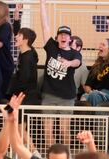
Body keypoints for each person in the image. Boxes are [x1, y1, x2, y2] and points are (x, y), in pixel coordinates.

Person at [39, 0, 82, 144]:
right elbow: (45, 26)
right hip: (49, 95)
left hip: (67, 97)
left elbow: (77, 62)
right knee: (48, 130)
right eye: (61, 35)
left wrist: (69, 63)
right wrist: (42, 5)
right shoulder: (51, 47)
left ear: (70, 39)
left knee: (64, 131)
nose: (63, 37)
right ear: (57, 37)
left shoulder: (75, 53)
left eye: (66, 35)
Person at [81, 19, 109, 106]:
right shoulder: (95, 66)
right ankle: (97, 119)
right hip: (97, 94)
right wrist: (91, 92)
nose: (99, 46)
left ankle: (96, 119)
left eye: (103, 45)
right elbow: (87, 86)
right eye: (100, 44)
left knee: (93, 96)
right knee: (86, 97)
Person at [7, 27, 40, 104]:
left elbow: (24, 80)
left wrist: (14, 95)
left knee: (10, 111)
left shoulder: (27, 58)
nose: (15, 37)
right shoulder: (25, 52)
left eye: (19, 35)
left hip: (26, 98)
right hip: (22, 95)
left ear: (26, 40)